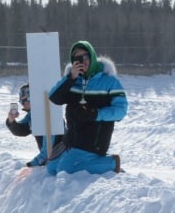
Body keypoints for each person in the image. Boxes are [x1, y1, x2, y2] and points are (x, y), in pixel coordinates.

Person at [48, 40, 127, 175]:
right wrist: (70, 78)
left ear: (92, 57)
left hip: (94, 140)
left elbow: (121, 110)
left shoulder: (109, 81)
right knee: (52, 168)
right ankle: (96, 163)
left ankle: (111, 163)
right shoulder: (73, 80)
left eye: (85, 57)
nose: (82, 61)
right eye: (77, 59)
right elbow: (54, 98)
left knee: (64, 170)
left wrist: (96, 114)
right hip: (72, 139)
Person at [6, 83, 64, 167]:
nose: (23, 104)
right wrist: (11, 120)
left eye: (26, 100)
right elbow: (21, 130)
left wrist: (38, 161)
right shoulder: (32, 116)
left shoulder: (49, 114)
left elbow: (49, 144)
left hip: (59, 156)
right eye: (22, 101)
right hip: (51, 158)